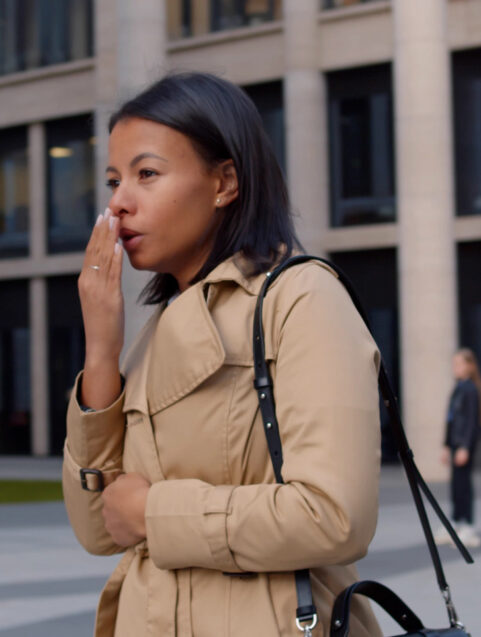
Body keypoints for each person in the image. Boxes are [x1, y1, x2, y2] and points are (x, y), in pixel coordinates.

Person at [62, 72, 382, 636]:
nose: (118, 202)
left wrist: (154, 513)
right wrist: (101, 349)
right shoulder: (149, 334)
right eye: (114, 180)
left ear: (224, 183)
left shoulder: (299, 298)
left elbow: (335, 517)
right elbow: (98, 529)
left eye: (147, 174)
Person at [435, 348, 481, 549]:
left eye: (459, 364)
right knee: (456, 485)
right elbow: (451, 419)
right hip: (455, 443)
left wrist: (465, 446)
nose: (455, 368)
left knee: (464, 485)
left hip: (464, 445)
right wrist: (446, 445)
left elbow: (471, 421)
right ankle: (455, 521)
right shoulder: (458, 388)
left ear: (470, 366)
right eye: (454, 364)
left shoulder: (470, 390)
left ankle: (468, 525)